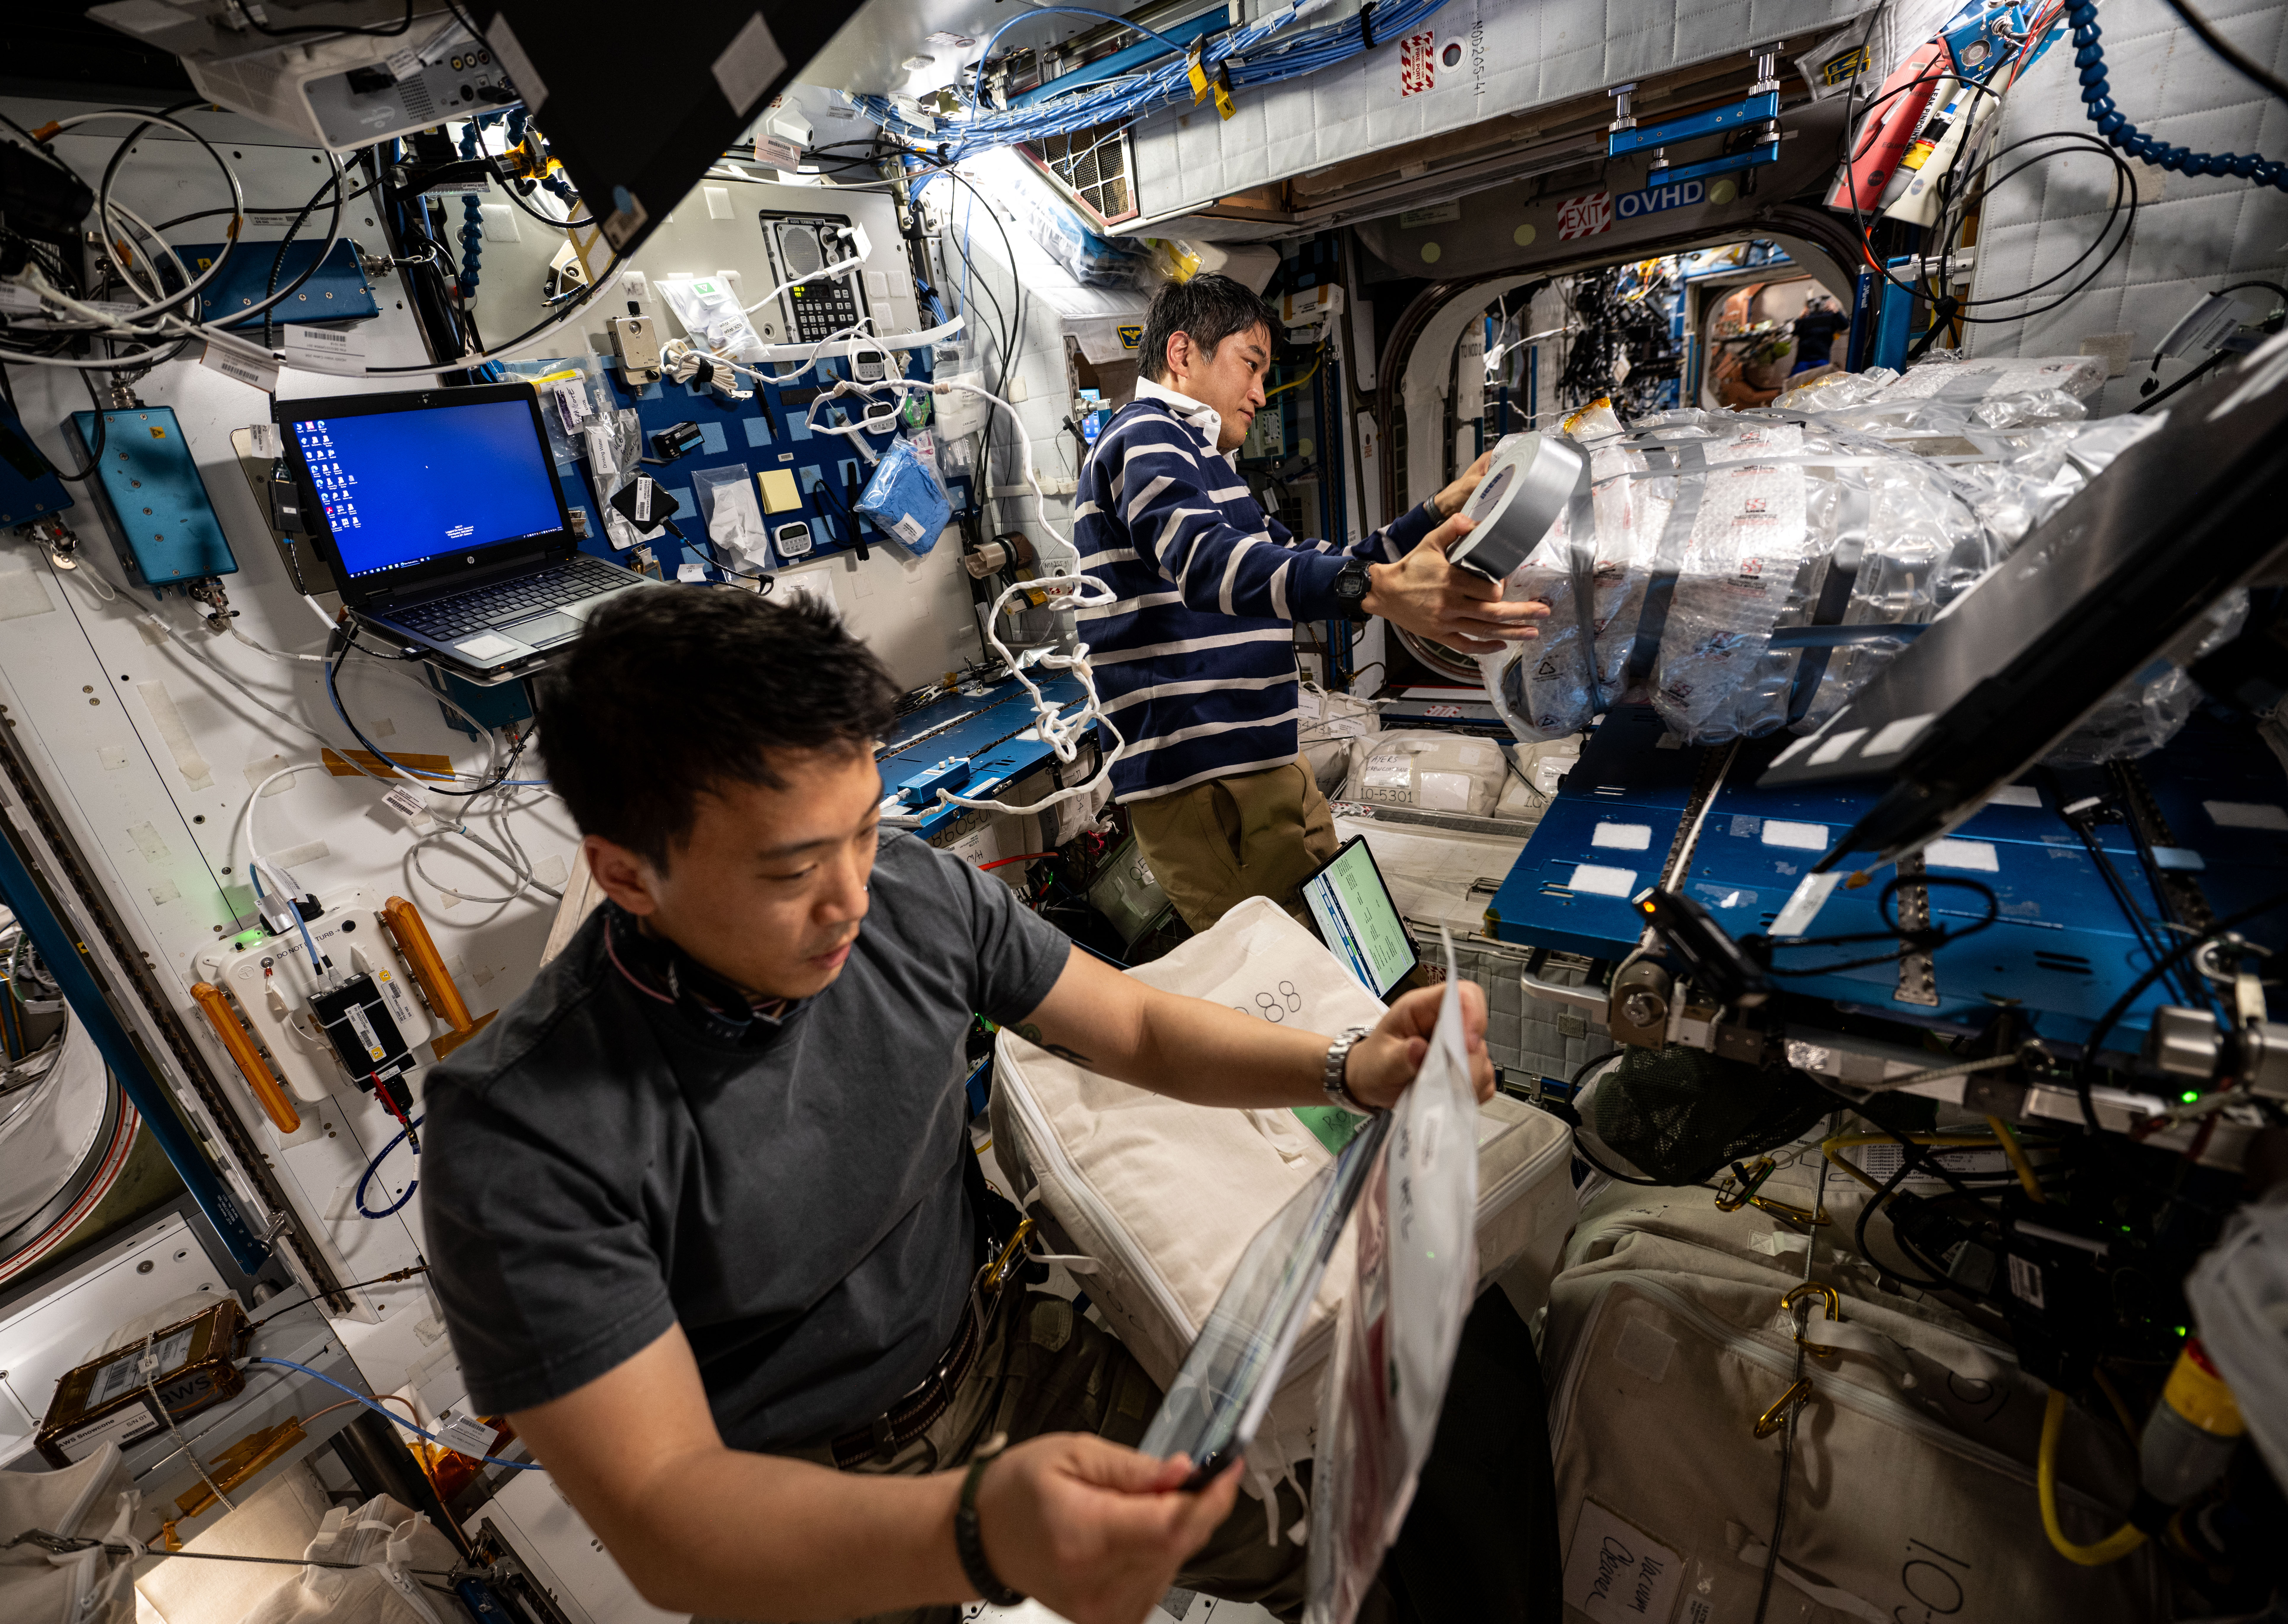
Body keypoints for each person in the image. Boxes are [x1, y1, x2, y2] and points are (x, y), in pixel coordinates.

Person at [421, 588, 1561, 1624]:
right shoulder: (525, 1137)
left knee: (1329, 1547)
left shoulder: (913, 896)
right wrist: (973, 1532)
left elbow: (1136, 1026)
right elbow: (672, 1516)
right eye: (790, 872)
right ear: (626, 875)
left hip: (1010, 1354)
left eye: (866, 827)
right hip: (794, 1490)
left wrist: (1346, 1065)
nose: (851, 899)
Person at [1075, 274, 1551, 933]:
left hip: (1264, 763)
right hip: (1209, 784)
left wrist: (1440, 509)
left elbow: (1320, 561)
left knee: (1361, 949)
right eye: (1251, 364)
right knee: (1301, 979)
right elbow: (1207, 565)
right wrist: (1379, 592)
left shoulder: (1210, 467)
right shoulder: (1149, 435)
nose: (1261, 394)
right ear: (1183, 356)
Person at [1791, 293, 1849, 374]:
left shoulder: (1831, 316)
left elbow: (1845, 326)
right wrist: (1801, 317)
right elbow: (1793, 331)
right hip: (1804, 360)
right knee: (1797, 384)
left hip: (1821, 358)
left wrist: (1836, 311)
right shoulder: (1806, 318)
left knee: (1820, 384)